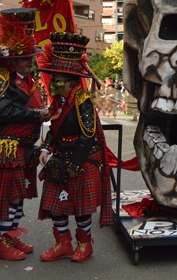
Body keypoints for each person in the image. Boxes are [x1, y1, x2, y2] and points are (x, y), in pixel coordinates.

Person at [37, 32, 112, 262]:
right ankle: (63, 244)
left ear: (70, 81)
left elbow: (87, 137)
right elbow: (54, 130)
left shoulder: (83, 102)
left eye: (57, 79)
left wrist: (75, 165)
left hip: (81, 161)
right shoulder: (58, 101)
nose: (53, 82)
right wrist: (46, 149)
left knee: (81, 209)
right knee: (56, 207)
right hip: (59, 159)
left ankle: (84, 245)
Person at [0, 8, 50, 261]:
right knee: (9, 196)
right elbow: (2, 111)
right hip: (9, 145)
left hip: (24, 145)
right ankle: (1, 243)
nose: (29, 61)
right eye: (24, 58)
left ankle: (11, 236)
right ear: (11, 60)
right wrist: (37, 115)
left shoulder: (26, 78)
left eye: (30, 57)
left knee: (20, 192)